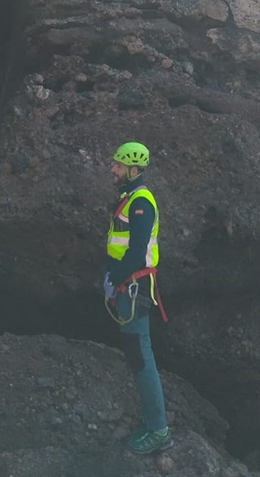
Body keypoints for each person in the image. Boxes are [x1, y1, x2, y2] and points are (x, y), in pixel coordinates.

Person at [103, 142, 172, 454]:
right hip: (128, 285)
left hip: (135, 287)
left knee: (141, 355)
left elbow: (137, 250)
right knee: (136, 353)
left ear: (133, 169)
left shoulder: (141, 202)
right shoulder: (130, 199)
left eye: (118, 165)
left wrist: (116, 280)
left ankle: (158, 430)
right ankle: (154, 424)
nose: (113, 170)